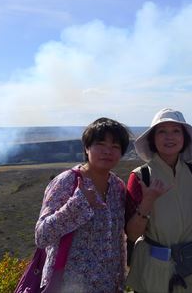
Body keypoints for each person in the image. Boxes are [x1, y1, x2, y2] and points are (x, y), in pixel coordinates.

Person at [34, 118, 131, 292]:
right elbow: (42, 236)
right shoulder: (67, 181)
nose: (108, 151)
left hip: (108, 285)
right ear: (87, 148)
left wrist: (119, 282)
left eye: (115, 147)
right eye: (100, 144)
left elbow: (117, 242)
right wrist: (77, 204)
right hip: (68, 285)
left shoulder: (118, 187)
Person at [125, 108, 192, 293]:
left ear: (184, 137)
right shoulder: (141, 176)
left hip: (190, 269)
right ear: (153, 139)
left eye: (176, 131)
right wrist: (147, 202)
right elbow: (131, 235)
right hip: (152, 272)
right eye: (162, 131)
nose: (169, 137)